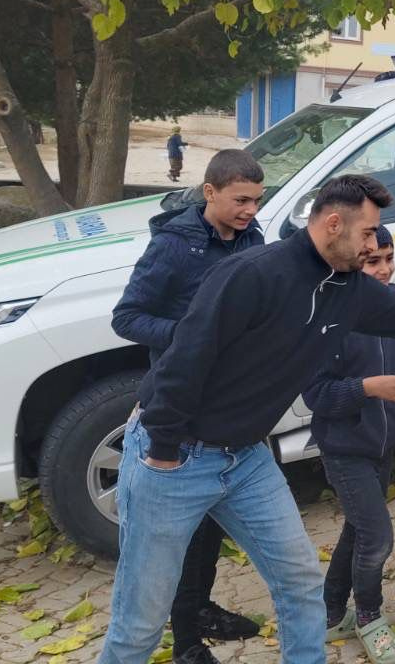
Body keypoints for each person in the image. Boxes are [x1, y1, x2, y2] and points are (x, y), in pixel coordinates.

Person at [97, 174, 395, 664]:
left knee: (300, 582)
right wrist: (164, 451)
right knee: (142, 620)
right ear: (333, 223)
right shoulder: (252, 274)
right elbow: (184, 358)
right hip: (175, 457)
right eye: (367, 234)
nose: (373, 246)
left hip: (244, 459)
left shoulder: (348, 289)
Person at [110, 148, 266, 664]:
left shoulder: (252, 240)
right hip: (182, 408)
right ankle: (185, 645)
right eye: (241, 200)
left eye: (256, 201)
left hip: (232, 407)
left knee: (211, 529)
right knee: (182, 535)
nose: (250, 210)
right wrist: (190, 335)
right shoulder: (174, 248)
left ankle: (199, 609)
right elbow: (127, 317)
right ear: (210, 192)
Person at [302, 225, 395, 664]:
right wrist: (367, 388)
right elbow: (316, 395)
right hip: (344, 446)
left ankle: (332, 611)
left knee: (358, 528)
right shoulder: (329, 315)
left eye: (389, 258)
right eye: (374, 262)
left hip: (384, 441)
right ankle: (369, 617)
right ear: (352, 262)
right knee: (377, 538)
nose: (386, 269)